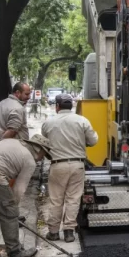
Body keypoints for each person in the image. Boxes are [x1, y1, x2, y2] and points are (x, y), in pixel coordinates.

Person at [41, 94, 98, 243]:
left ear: (57, 106)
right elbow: (93, 141)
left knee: (56, 199)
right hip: (77, 165)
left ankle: (53, 232)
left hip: (57, 165)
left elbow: (44, 144)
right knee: (73, 199)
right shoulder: (82, 121)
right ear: (71, 106)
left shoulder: (48, 123)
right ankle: (69, 232)